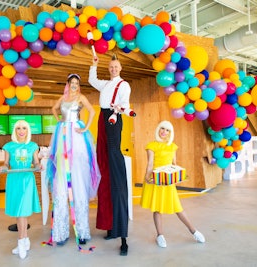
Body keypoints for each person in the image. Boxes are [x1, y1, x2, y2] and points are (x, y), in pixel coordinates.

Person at [46, 73, 101, 248]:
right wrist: (59, 122)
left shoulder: (81, 98)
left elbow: (92, 111)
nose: (75, 85)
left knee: (78, 180)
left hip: (76, 136)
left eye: (77, 83)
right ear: (68, 84)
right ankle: (61, 233)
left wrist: (84, 127)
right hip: (62, 135)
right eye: (72, 83)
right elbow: (54, 109)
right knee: (61, 183)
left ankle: (82, 231)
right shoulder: (63, 97)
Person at [88, 54, 131, 256]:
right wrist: (94, 65)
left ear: (120, 67)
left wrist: (118, 109)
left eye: (115, 66)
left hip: (113, 120)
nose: (113, 68)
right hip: (102, 120)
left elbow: (126, 106)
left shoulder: (124, 85)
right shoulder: (105, 84)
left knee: (114, 165)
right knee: (103, 167)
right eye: (111, 66)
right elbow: (92, 81)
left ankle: (121, 234)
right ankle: (111, 227)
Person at [140, 120, 206, 248]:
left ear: (170, 133)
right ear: (158, 129)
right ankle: (160, 236)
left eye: (167, 130)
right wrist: (147, 177)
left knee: (178, 208)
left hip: (168, 181)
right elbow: (150, 164)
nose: (164, 132)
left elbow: (174, 164)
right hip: (156, 180)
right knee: (157, 208)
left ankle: (194, 231)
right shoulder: (151, 146)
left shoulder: (172, 146)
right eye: (162, 128)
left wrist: (180, 174)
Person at [0, 120, 42, 260]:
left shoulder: (33, 146)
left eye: (24, 128)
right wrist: (1, 168)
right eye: (18, 128)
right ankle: (25, 241)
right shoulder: (8, 146)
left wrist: (39, 166)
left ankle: (21, 243)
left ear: (28, 131)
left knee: (22, 212)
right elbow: (6, 164)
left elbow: (36, 163)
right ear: (15, 131)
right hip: (14, 180)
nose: (21, 131)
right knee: (18, 212)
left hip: (27, 181)